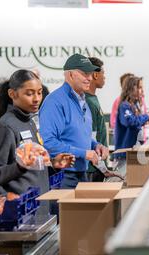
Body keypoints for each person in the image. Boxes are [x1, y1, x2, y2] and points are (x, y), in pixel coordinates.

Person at [0, 70, 74, 207]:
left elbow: (33, 168)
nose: (37, 99)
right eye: (29, 93)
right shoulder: (5, 127)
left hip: (40, 207)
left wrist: (54, 164)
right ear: (12, 94)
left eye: (39, 92)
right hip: (21, 211)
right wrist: (20, 166)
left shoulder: (30, 121)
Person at [39, 54, 109, 189]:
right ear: (70, 75)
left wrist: (95, 145)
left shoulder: (82, 100)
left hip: (82, 173)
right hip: (63, 175)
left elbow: (78, 134)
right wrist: (84, 153)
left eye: (90, 73)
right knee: (62, 210)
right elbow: (49, 142)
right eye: (84, 73)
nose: (89, 78)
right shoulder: (55, 102)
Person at [114, 76, 149, 173]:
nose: (142, 90)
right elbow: (130, 122)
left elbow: (137, 122)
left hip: (133, 152)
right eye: (139, 87)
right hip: (124, 154)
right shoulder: (124, 106)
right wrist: (147, 116)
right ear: (131, 88)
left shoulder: (134, 106)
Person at [85, 57, 108, 182]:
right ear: (95, 74)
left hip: (98, 166)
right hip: (92, 168)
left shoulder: (92, 99)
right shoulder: (88, 101)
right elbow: (91, 137)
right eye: (103, 73)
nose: (104, 77)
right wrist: (102, 166)